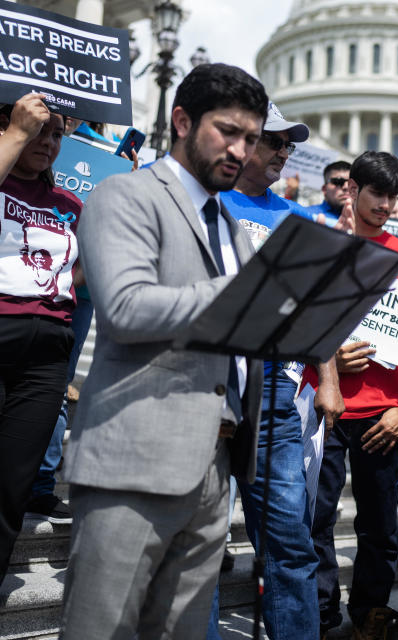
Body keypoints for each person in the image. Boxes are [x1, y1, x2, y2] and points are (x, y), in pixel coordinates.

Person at [60, 64, 268, 638]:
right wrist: (246, 293)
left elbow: (244, 335)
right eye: (228, 131)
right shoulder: (124, 194)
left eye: (250, 139)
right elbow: (125, 309)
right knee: (101, 628)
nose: (241, 150)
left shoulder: (237, 230)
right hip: (133, 456)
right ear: (181, 121)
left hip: (217, 464)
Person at [217, 101, 344, 640]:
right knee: (198, 540)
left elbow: (315, 307)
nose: (283, 154)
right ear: (245, 142)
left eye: (289, 146)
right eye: (274, 142)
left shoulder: (298, 219)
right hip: (211, 381)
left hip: (274, 393)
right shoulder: (207, 201)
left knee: (291, 541)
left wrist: (330, 380)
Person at [311, 151, 398, 639]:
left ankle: (369, 615)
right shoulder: (325, 246)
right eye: (376, 193)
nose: (384, 204)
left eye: (392, 196)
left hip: (384, 415)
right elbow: (300, 323)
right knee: (316, 518)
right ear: (351, 190)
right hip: (327, 407)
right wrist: (329, 365)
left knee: (380, 528)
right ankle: (320, 613)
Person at [0, 93, 81, 582]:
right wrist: (15, 133)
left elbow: (90, 275)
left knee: (12, 484)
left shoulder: (69, 204)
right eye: (40, 129)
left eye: (57, 135)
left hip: (47, 351)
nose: (48, 142)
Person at [308, 159, 352, 227]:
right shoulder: (308, 215)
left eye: (351, 183)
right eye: (337, 182)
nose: (346, 187)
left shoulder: (366, 222)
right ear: (324, 189)